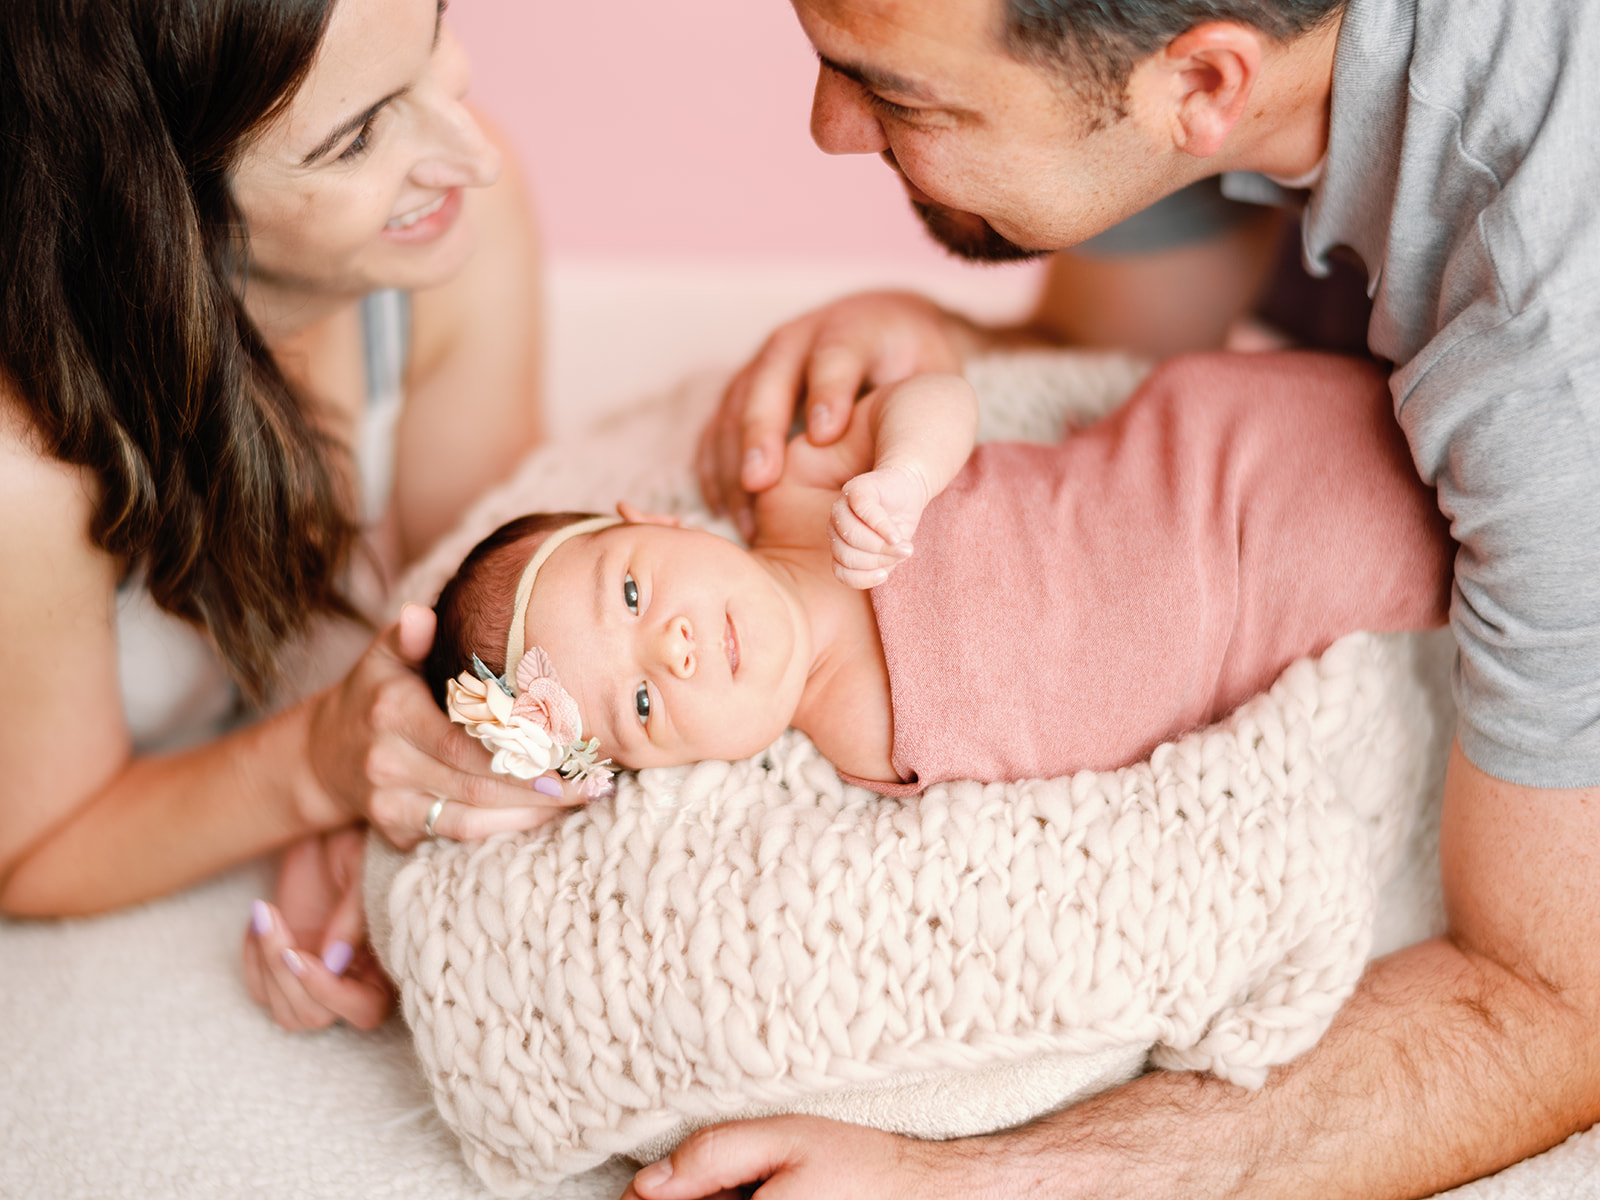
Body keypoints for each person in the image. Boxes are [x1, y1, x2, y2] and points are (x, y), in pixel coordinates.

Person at [658, 0, 1600, 1197]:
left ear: (1206, 84)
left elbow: (1547, 1001)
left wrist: (980, 1183)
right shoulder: (1204, 56)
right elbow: (1133, 320)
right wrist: (939, 348)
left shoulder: (1555, 377)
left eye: (898, 96)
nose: (827, 128)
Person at [0, 0, 569, 1033]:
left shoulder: (448, 251)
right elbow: (31, 853)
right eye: (356, 134)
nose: (472, 152)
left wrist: (400, 836)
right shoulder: (26, 469)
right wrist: (312, 768)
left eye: (434, 32)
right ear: (157, 203)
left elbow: (492, 617)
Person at [423, 351, 1449, 795]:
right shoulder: (856, 768)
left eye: (636, 594)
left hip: (1214, 472)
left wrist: (904, 476)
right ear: (652, 775)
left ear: (648, 519)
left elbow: (937, 394)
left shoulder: (800, 497)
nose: (676, 646)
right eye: (642, 702)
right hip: (1261, 635)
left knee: (1448, 478)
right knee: (1460, 600)